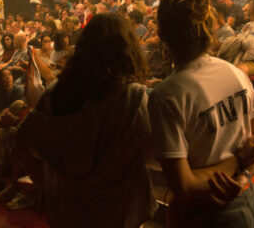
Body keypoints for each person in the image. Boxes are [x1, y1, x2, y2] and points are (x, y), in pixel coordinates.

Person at [13, 13, 157, 227]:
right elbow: (155, 156)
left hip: (67, 211)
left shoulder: (55, 92)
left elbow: (21, 146)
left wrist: (46, 187)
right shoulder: (133, 98)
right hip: (115, 212)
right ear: (128, 51)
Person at [150, 0, 254, 227]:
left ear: (162, 35)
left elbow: (184, 186)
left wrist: (239, 165)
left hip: (214, 214)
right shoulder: (234, 72)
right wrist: (244, 175)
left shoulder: (165, 96)